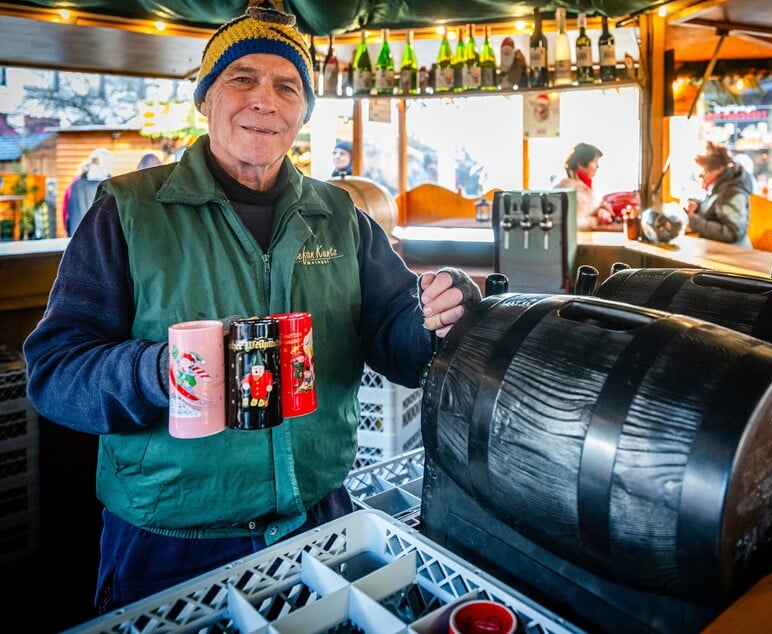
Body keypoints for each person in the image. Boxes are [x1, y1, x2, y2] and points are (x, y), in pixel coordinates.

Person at [23, 5, 480, 616]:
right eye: (242, 78)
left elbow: (399, 342)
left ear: (302, 113)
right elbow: (55, 373)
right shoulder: (128, 211)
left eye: (286, 86)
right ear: (205, 99)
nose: (265, 99)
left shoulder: (341, 217)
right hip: (170, 545)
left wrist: (440, 316)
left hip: (321, 520)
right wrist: (167, 373)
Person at [684, 141, 753, 246]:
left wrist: (694, 220)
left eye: (706, 171)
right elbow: (715, 211)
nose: (700, 175)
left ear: (720, 169)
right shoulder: (719, 187)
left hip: (733, 255)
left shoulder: (733, 193)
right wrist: (697, 208)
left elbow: (731, 233)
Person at [555, 142, 614, 230]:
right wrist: (596, 221)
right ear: (581, 163)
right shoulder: (566, 188)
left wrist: (601, 210)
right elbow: (567, 223)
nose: (597, 166)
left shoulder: (587, 187)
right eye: (595, 162)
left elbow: (589, 210)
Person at [64, 147, 114, 237]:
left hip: (76, 238)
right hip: (98, 240)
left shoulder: (75, 184)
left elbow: (66, 214)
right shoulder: (108, 187)